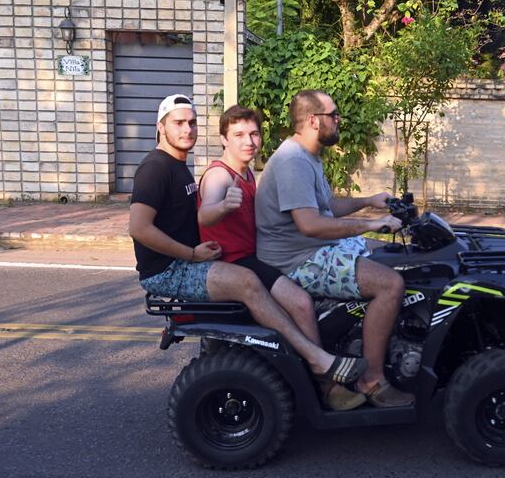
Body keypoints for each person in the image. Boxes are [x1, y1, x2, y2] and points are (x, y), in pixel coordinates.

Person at [128, 94, 366, 391]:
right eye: (178, 123)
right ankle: (320, 370)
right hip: (170, 269)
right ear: (161, 127)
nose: (187, 129)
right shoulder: (158, 168)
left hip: (208, 257)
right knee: (253, 285)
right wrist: (192, 251)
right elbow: (141, 227)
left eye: (191, 122)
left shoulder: (190, 166)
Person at [196, 104, 365, 411]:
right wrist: (223, 206)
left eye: (254, 133)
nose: (249, 141)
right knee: (299, 303)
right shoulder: (220, 176)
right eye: (239, 135)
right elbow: (206, 213)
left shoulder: (246, 171)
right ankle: (325, 383)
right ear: (224, 139)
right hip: (238, 263)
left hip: (256, 255)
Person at [255, 90, 415, 407]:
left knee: (400, 257)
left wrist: (368, 202)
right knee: (390, 285)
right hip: (298, 259)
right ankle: (372, 379)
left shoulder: (307, 156)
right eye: (334, 114)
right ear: (314, 120)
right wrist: (371, 224)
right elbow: (311, 225)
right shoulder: (292, 161)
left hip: (315, 247)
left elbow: (326, 207)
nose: (339, 120)